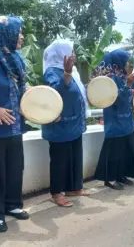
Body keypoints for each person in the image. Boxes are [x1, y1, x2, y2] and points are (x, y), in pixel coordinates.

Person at [0, 16, 30, 233]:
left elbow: (20, 87)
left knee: (15, 168)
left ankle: (12, 204)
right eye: (18, 31)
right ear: (6, 33)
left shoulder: (14, 58)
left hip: (14, 126)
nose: (21, 36)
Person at [42, 39, 90, 207]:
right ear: (61, 54)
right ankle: (56, 193)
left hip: (74, 122)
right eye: (70, 51)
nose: (73, 55)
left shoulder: (72, 71)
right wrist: (67, 73)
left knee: (75, 156)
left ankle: (73, 187)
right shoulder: (52, 71)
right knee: (59, 160)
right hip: (59, 124)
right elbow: (56, 92)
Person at [93, 49, 134, 190]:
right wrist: (127, 85)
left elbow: (126, 96)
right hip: (115, 120)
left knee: (123, 151)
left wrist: (132, 90)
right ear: (118, 62)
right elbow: (114, 99)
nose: (128, 64)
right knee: (113, 151)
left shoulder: (122, 76)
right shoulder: (110, 78)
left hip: (125, 120)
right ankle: (110, 178)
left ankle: (121, 175)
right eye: (126, 61)